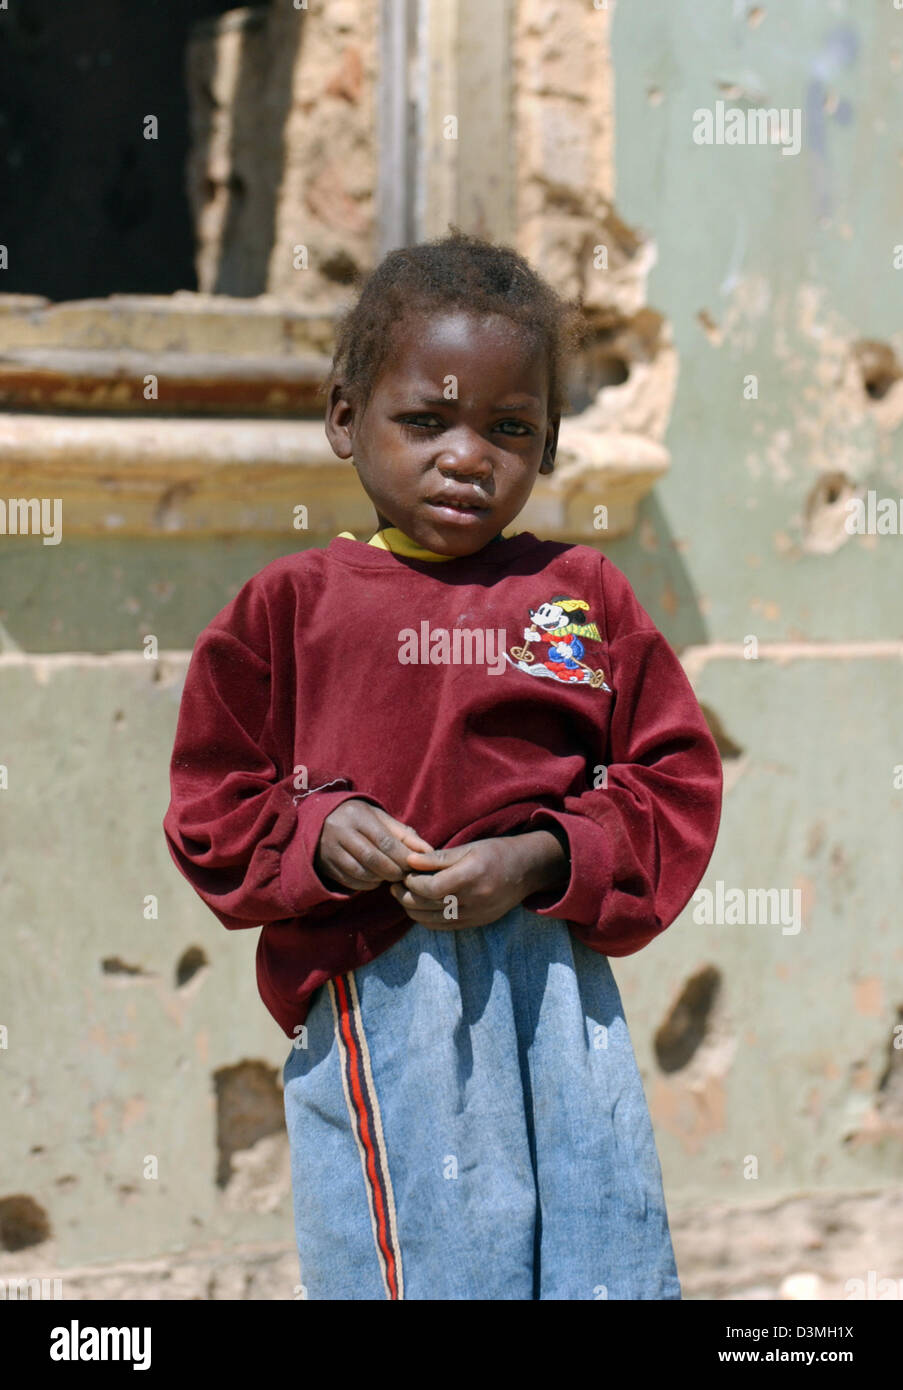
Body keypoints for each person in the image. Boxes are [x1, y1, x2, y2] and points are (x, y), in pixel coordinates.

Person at [163, 230, 723, 1301]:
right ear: (345, 418)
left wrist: (541, 855)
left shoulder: (579, 595)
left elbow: (672, 783)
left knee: (598, 1253)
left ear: (550, 444)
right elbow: (213, 799)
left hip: (559, 993)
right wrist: (319, 833)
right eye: (426, 420)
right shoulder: (292, 610)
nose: (467, 455)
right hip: (390, 997)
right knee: (433, 1266)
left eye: (509, 428)